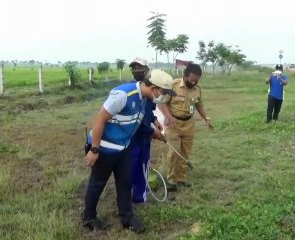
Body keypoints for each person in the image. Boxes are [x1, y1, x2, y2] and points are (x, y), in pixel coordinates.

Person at [82, 69, 176, 233]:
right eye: (164, 92)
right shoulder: (124, 95)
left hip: (124, 148)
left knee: (125, 183)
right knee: (98, 183)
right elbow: (100, 120)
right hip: (105, 148)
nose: (164, 96)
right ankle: (88, 218)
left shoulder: (145, 99)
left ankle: (127, 218)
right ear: (154, 88)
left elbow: (137, 123)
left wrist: (155, 134)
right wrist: (94, 149)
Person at [159, 63, 214, 192]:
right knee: (174, 153)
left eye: (197, 80)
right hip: (173, 124)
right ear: (185, 76)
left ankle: (181, 178)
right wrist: (168, 117)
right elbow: (163, 103)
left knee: (185, 153)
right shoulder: (173, 85)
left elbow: (199, 105)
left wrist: (206, 119)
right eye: (192, 80)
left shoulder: (197, 89)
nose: (194, 82)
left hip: (189, 124)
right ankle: (172, 181)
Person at [128, 58, 166, 204]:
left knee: (144, 163)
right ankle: (130, 194)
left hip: (145, 136)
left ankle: (140, 194)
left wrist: (155, 120)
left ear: (147, 70)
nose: (137, 70)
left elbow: (149, 109)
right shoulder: (131, 89)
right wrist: (152, 132)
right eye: (134, 68)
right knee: (132, 164)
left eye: (140, 68)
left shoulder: (149, 88)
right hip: (133, 136)